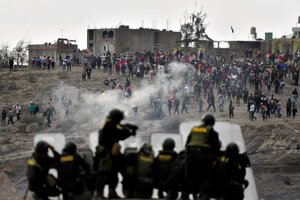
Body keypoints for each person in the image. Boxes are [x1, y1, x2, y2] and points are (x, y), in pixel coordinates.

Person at [94, 109, 137, 199]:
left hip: (104, 153)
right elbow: (120, 135)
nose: (120, 121)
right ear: (116, 118)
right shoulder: (110, 126)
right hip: (109, 154)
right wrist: (130, 131)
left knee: (109, 174)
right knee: (109, 174)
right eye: (120, 119)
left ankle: (108, 193)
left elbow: (118, 128)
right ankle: (103, 194)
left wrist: (126, 126)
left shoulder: (106, 124)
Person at [185, 113, 221, 200]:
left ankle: (193, 194)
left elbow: (187, 143)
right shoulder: (212, 131)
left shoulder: (194, 129)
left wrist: (187, 155)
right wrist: (215, 159)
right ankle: (202, 196)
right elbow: (215, 147)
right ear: (212, 122)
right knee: (206, 177)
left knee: (191, 176)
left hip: (190, 156)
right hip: (203, 156)